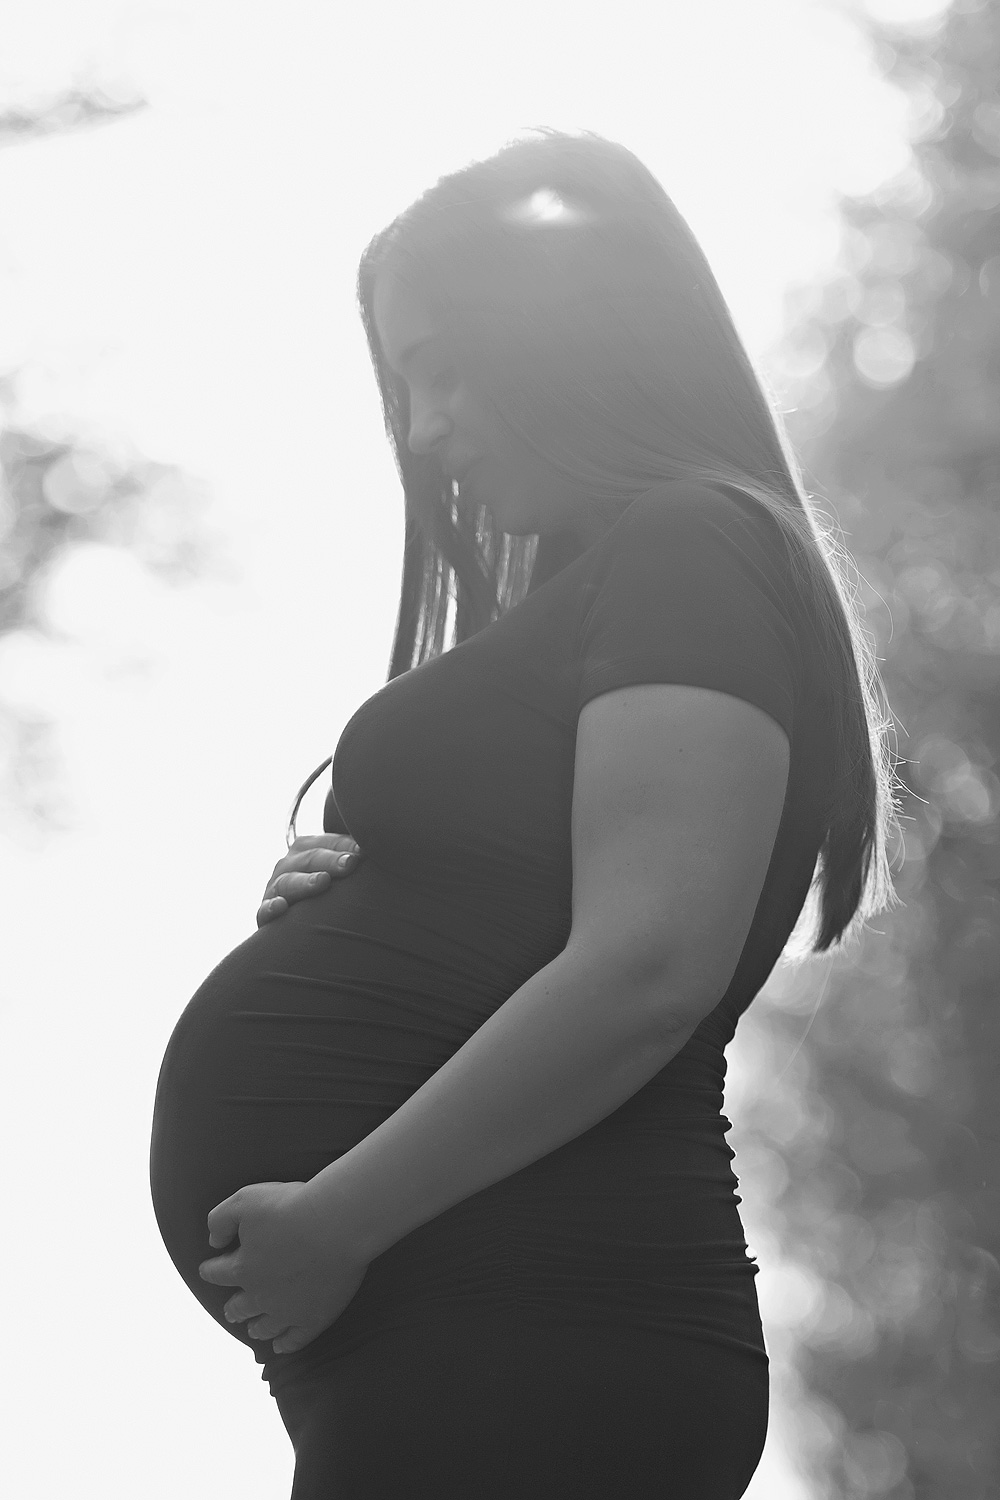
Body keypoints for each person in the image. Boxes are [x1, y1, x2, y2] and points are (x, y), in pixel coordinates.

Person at [149, 127, 902, 1498]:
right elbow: (561, 913)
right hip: (488, 1354)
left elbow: (648, 966)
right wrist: (386, 894)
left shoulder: (691, 545)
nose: (425, 433)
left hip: (544, 1346)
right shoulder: (629, 576)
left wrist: (338, 1215)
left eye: (443, 369)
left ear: (576, 338)